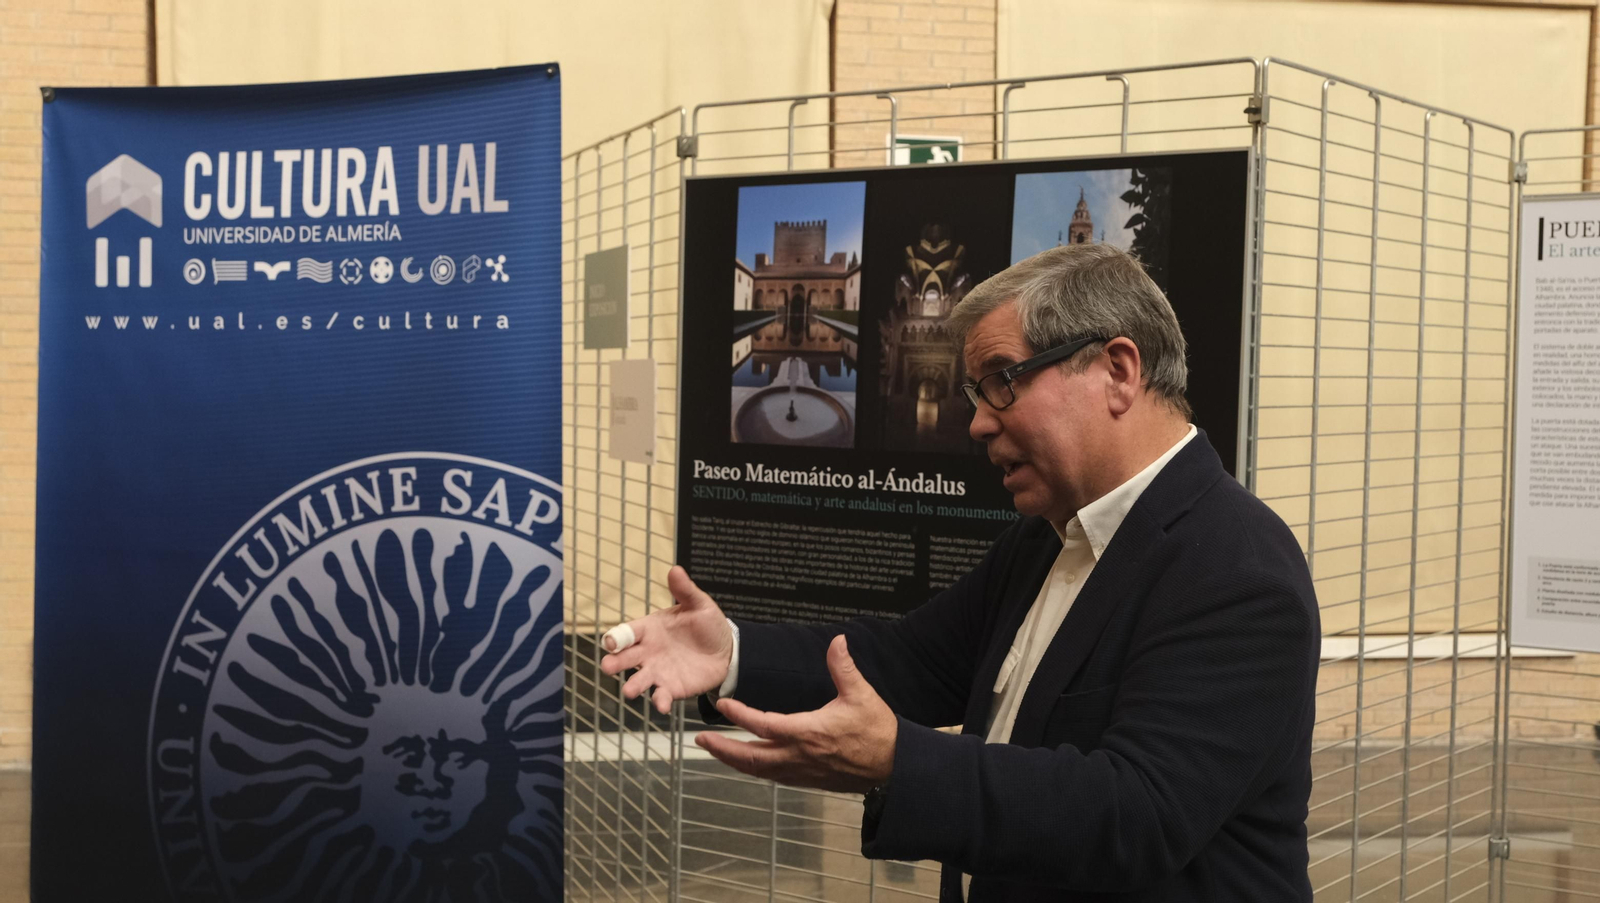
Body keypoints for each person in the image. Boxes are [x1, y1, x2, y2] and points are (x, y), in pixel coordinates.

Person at [600, 243, 1320, 902]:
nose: (977, 422)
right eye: (977, 392)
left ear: (1118, 371)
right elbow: (910, 659)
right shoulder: (1046, 539)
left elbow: (1137, 813)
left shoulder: (1238, 568)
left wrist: (899, 762)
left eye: (1001, 382)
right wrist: (731, 652)